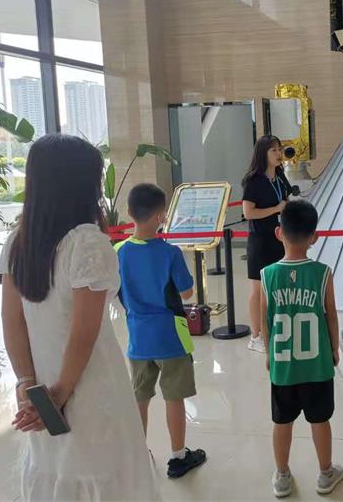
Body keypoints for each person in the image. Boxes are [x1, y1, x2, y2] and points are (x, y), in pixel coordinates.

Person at [0, 134, 160, 500]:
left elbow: (13, 322)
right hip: (88, 387)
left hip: (41, 388)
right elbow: (84, 333)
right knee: (102, 475)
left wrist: (27, 383)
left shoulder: (19, 241)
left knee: (56, 473)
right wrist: (60, 393)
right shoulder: (86, 242)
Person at [115, 183, 207, 477]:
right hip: (170, 337)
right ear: (161, 217)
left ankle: (139, 455)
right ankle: (178, 456)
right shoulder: (170, 253)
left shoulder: (118, 251)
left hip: (138, 338)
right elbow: (188, 292)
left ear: (129, 212)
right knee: (173, 397)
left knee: (140, 397)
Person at [260, 199, 343, 498]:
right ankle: (326, 473)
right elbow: (331, 315)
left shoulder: (267, 274)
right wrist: (334, 349)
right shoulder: (323, 273)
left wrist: (268, 353)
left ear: (278, 233)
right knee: (320, 419)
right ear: (315, 237)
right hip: (317, 365)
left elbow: (265, 320)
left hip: (283, 365)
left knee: (281, 421)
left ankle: (282, 476)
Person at [242, 135, 292, 353]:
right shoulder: (254, 180)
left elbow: (286, 202)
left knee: (277, 287)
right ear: (263, 154)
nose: (279, 154)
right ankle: (256, 336)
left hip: (280, 239)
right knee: (258, 288)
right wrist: (276, 209)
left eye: (279, 149)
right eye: (273, 150)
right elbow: (248, 212)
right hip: (260, 240)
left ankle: (275, 329)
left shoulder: (280, 178)